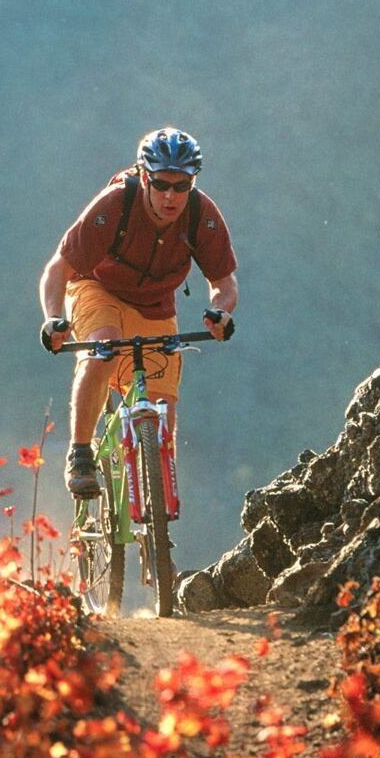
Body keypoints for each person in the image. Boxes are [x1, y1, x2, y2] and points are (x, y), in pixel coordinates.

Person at [37, 127, 238, 498]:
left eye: (182, 186)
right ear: (145, 176)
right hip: (97, 287)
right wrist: (52, 318)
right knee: (104, 348)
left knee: (164, 409)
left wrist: (219, 312)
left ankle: (158, 524)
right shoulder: (114, 204)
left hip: (155, 303)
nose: (171, 195)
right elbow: (57, 270)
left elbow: (225, 284)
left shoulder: (201, 214)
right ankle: (80, 453)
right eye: (162, 184)